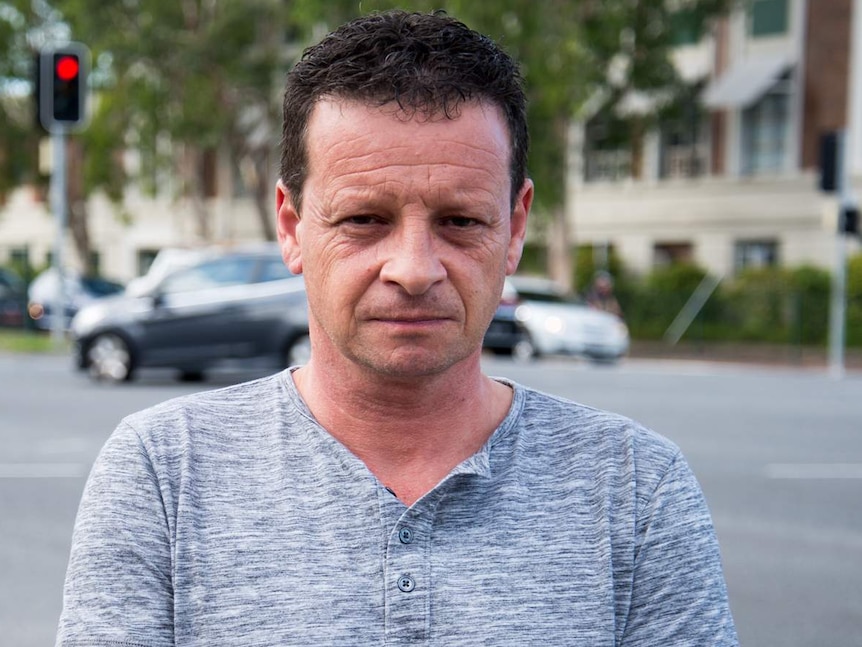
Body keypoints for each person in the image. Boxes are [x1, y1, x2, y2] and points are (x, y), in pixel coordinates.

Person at [56, 10, 738, 646]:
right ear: (292, 227)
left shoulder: (635, 486)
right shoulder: (163, 472)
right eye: (364, 220)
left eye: (460, 221)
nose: (414, 269)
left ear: (516, 227)